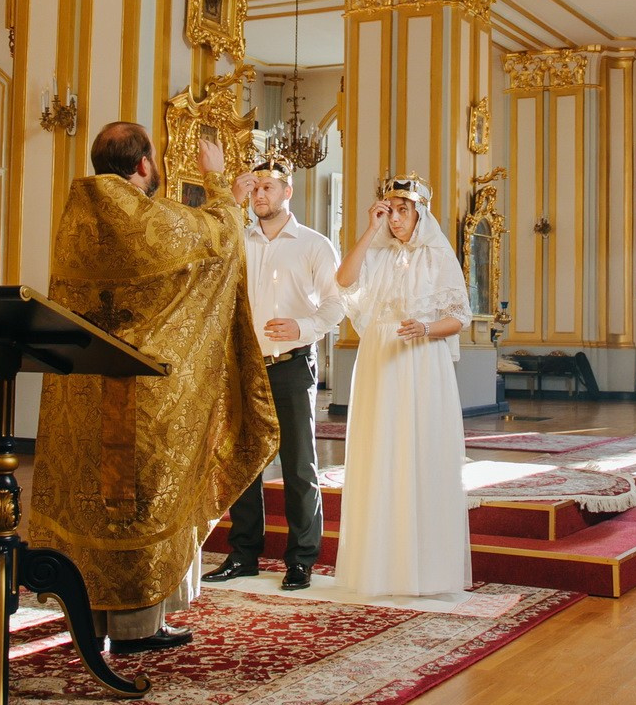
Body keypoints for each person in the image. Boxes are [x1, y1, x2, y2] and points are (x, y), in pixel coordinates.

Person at [28, 122, 277, 655]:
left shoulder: (77, 216)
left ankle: (87, 616)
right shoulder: (143, 218)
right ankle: (139, 627)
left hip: (84, 389)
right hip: (139, 393)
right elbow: (218, 241)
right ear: (143, 165)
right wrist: (219, 187)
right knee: (136, 504)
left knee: (93, 500)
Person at [204, 154, 344, 592]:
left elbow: (338, 305)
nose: (260, 194)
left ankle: (301, 559)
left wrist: (302, 327)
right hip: (245, 365)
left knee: (299, 464)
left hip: (291, 364)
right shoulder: (236, 239)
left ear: (288, 192)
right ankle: (244, 554)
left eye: (269, 187)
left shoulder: (315, 245)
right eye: (255, 187)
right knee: (245, 460)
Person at [333, 173, 471, 597]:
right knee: (380, 451)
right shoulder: (375, 252)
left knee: (420, 450)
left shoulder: (437, 254)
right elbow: (343, 280)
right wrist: (370, 228)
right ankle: (379, 567)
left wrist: (428, 328)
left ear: (420, 212)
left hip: (421, 359)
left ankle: (425, 569)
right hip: (380, 358)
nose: (395, 217)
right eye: (390, 209)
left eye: (403, 209)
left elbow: (460, 316)